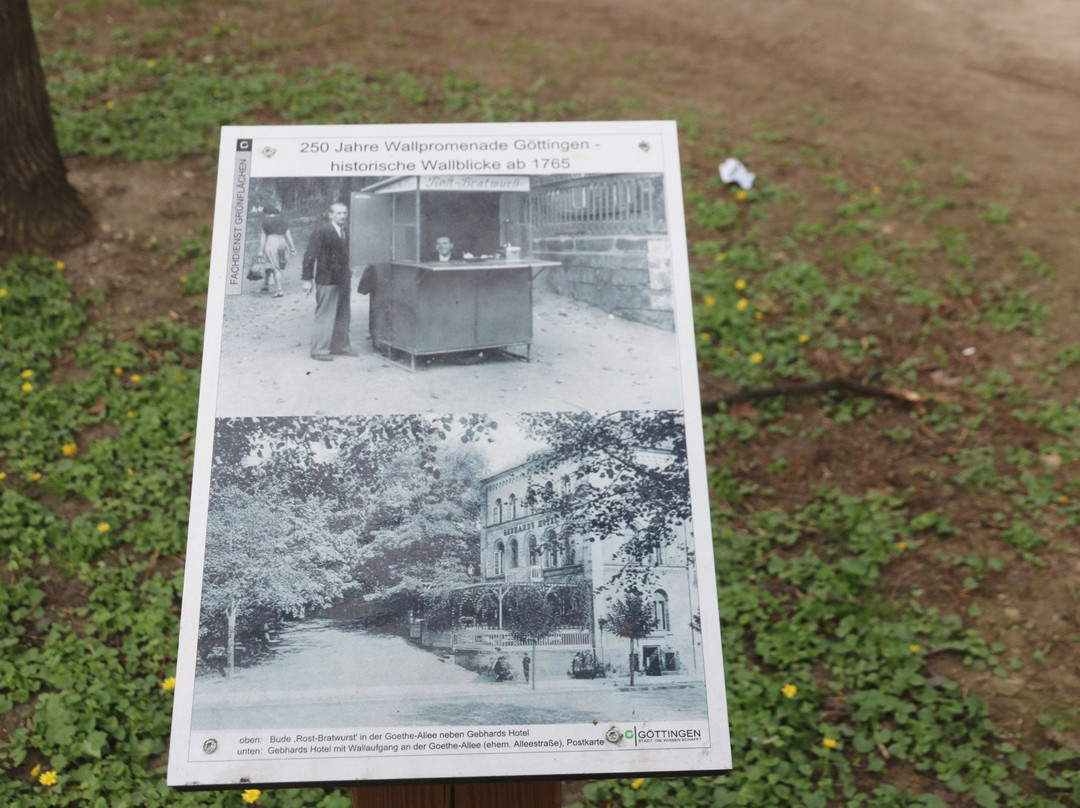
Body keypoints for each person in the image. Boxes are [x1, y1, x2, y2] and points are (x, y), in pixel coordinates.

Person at [301, 203, 356, 361]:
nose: (343, 216)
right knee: (325, 315)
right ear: (330, 215)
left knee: (343, 314)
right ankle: (319, 350)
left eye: (345, 213)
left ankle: (341, 347)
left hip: (343, 279)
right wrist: (307, 279)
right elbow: (309, 256)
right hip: (327, 279)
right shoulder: (322, 231)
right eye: (339, 213)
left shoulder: (345, 231)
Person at [258, 205, 295, 298]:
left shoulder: (265, 221)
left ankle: (279, 291)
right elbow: (289, 236)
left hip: (271, 242)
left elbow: (263, 238)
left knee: (275, 268)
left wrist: (260, 251)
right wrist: (293, 248)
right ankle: (266, 286)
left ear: (267, 213)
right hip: (283, 242)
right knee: (269, 264)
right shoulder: (283, 220)